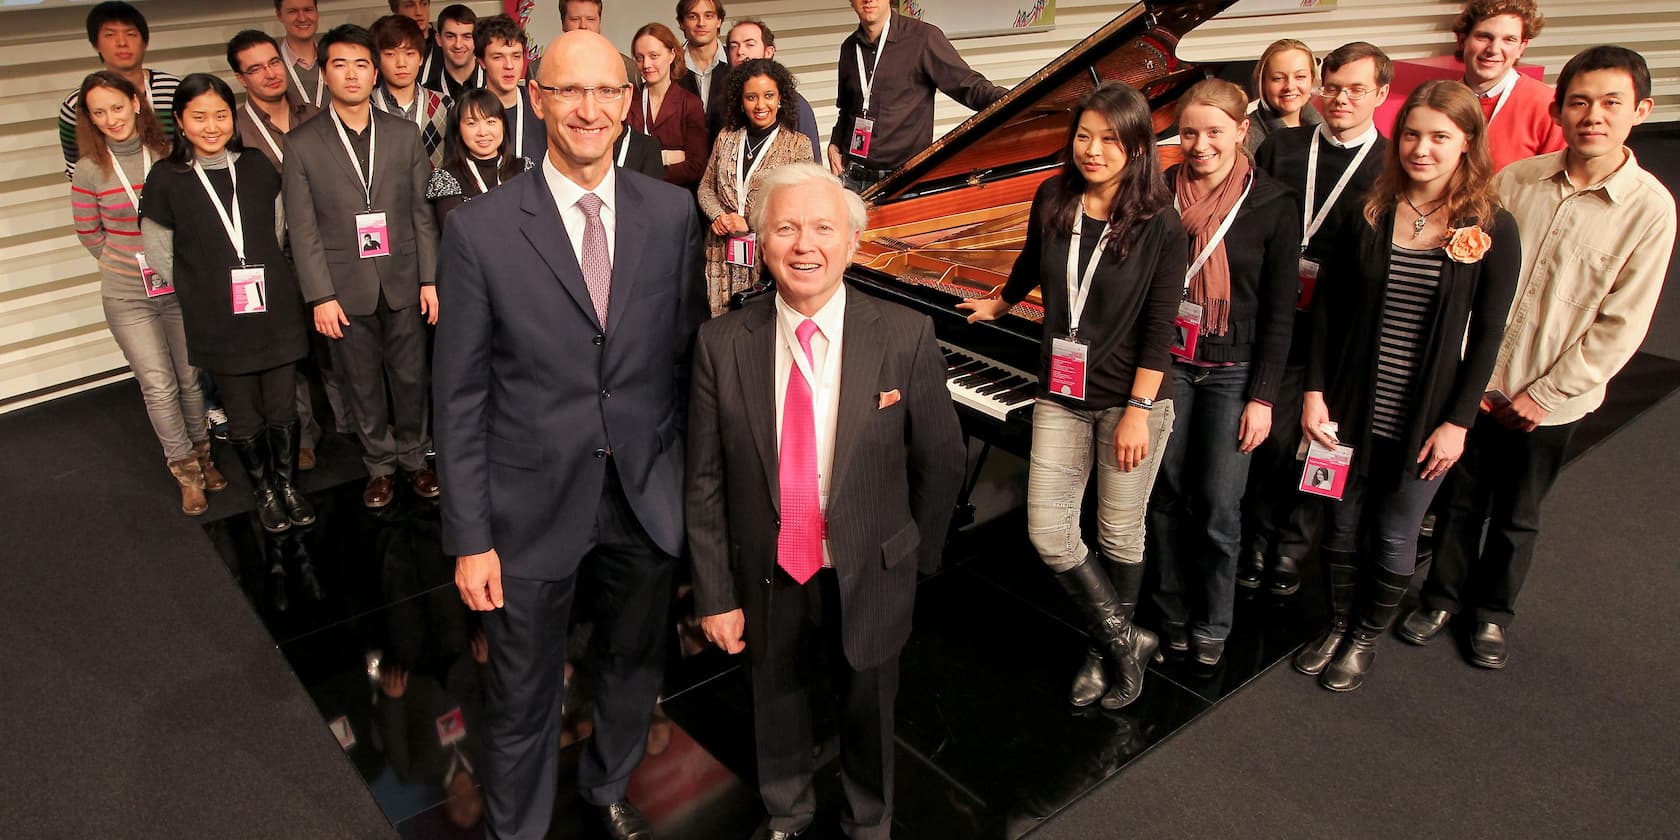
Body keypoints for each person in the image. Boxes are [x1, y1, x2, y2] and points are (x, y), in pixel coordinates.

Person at [436, 29, 705, 840]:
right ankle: (516, 829)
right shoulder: (479, 231)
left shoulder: (672, 213)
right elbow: (457, 398)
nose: (589, 110)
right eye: (569, 92)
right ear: (537, 99)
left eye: (606, 92)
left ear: (628, 104)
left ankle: (607, 783)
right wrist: (469, 536)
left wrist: (697, 501)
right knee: (520, 693)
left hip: (644, 490)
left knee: (631, 668)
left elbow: (687, 362)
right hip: (527, 505)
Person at [689, 161, 964, 840]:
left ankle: (870, 818)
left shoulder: (905, 335)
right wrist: (715, 594)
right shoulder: (721, 343)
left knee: (870, 701)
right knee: (774, 696)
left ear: (852, 242)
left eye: (822, 228)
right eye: (785, 228)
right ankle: (787, 808)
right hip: (769, 563)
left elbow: (942, 456)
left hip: (870, 564)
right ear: (760, 240)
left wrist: (916, 560)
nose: (804, 245)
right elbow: (703, 482)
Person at [1400, 47, 1676, 668]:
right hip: (1481, 381)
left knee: (1517, 512)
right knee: (1458, 495)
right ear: (1558, 109)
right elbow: (1466, 279)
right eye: (1579, 102)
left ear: (1642, 111)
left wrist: (1543, 395)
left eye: (1611, 103)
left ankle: (1492, 612)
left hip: (1551, 397)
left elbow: (1622, 324)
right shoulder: (1515, 180)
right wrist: (1473, 379)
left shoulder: (1649, 209)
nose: (1593, 116)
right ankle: (1441, 595)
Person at [959, 82, 1184, 709]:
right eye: (1083, 135)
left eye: (1110, 138)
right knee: (1049, 531)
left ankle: (1099, 648)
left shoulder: (1161, 224)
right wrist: (1002, 301)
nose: (1092, 149)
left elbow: (1162, 327)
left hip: (1129, 403)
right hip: (1062, 393)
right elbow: (1033, 260)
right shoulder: (1053, 195)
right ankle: (1122, 640)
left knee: (1118, 532)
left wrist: (1139, 411)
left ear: (1137, 145)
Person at [1294, 79, 1521, 692]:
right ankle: (1339, 623)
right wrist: (1314, 391)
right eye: (1413, 135)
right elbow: (1326, 316)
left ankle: (1365, 636)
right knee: (1339, 523)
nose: (1422, 148)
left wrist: (1459, 422)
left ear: (1467, 143)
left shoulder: (1493, 226)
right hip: (1351, 400)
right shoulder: (1367, 212)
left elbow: (1491, 332)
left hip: (1427, 412)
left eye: (1440, 137)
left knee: (1395, 529)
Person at [1144, 79, 1298, 667]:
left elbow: (1281, 312)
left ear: (1241, 131)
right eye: (1189, 132)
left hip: (1234, 372)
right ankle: (1171, 612)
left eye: (1214, 132)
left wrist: (1263, 398)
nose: (1200, 144)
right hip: (1169, 366)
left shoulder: (1274, 203)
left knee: (1218, 505)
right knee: (1164, 495)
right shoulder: (1159, 193)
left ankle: (1214, 620)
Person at [1247, 41, 1393, 597]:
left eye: (1356, 89)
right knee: (1273, 436)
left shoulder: (1389, 166)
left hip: (1346, 322)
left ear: (1380, 94)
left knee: (1326, 437)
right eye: (1331, 87)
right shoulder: (1283, 146)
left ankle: (1294, 544)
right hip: (1276, 311)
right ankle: (1259, 536)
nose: (1341, 99)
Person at [139, 73, 314, 533]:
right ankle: (264, 492)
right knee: (243, 413)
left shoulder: (255, 165)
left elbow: (277, 230)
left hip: (273, 308)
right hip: (217, 318)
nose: (211, 126)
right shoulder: (166, 177)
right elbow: (159, 255)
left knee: (282, 407)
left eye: (220, 115)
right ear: (180, 120)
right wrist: (206, 290)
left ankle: (288, 486)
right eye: (199, 117)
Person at [284, 24, 440, 510]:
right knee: (361, 381)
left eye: (360, 64)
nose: (351, 74)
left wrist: (430, 279)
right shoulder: (302, 142)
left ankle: (415, 457)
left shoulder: (404, 133)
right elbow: (301, 226)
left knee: (412, 376)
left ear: (374, 72)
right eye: (339, 64)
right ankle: (379, 465)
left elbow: (421, 212)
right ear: (324, 73)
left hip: (403, 279)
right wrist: (319, 295)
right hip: (343, 287)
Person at [71, 71, 223, 516]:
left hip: (179, 285)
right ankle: (186, 473)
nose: (110, 119)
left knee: (191, 378)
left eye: (116, 107)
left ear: (136, 104)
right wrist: (126, 258)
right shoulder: (89, 167)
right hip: (127, 293)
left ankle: (204, 455)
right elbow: (89, 232)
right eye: (98, 112)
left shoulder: (168, 153)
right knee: (158, 385)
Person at [228, 28, 334, 469]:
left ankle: (347, 422)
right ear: (240, 76)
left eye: (274, 62)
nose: (269, 74)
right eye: (255, 68)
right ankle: (304, 434)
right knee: (290, 349)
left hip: (328, 243)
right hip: (272, 251)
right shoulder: (233, 127)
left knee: (333, 339)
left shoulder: (316, 114)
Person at [828, 0, 1008, 192]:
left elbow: (969, 87)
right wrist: (834, 144)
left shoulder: (923, 39)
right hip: (852, 178)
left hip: (903, 182)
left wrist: (1021, 99)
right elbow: (847, 108)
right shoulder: (849, 48)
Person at [696, 59, 815, 316]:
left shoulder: (797, 145)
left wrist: (749, 222)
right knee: (721, 328)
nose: (760, 105)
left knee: (762, 328)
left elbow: (800, 204)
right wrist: (718, 216)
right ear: (741, 101)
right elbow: (705, 187)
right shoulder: (726, 137)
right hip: (721, 250)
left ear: (780, 98)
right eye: (751, 97)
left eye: (768, 95)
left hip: (767, 252)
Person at [59, 1, 180, 179]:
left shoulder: (174, 90)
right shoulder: (76, 104)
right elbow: (77, 172)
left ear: (145, 42)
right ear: (95, 44)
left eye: (131, 34)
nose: (122, 42)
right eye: (110, 34)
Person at [1452, 0, 1564, 170]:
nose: (1494, 50)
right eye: (1484, 37)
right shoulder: (1441, 101)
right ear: (1461, 40)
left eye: (1509, 40)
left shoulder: (1546, 105)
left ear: (1521, 47)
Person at [427, 89, 534, 227]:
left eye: (491, 122)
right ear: (458, 129)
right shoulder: (446, 178)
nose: (483, 132)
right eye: (472, 123)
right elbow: (456, 234)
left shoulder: (525, 169)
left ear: (503, 125)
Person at [724, 18, 822, 159]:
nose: (740, 51)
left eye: (750, 44)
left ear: (769, 52)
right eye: (734, 46)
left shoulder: (796, 105)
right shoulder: (723, 103)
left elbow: (813, 168)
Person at [628, 23, 710, 189]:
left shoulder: (690, 104)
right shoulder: (628, 102)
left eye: (654, 56)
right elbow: (621, 160)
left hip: (676, 198)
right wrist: (666, 157)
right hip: (634, 196)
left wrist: (644, 167)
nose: (646, 64)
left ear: (672, 54)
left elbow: (696, 167)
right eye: (640, 57)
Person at [371, 15, 454, 166]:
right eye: (390, 54)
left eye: (409, 54)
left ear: (421, 58)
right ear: (376, 59)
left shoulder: (444, 104)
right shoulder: (367, 106)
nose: (401, 63)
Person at [475, 15, 547, 163]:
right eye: (498, 57)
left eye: (516, 56)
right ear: (482, 61)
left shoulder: (541, 106)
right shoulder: (466, 111)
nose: (509, 65)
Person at [1245, 38, 1322, 153]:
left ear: (1311, 79)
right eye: (1278, 78)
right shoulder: (1247, 137)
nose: (1290, 86)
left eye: (1300, 76)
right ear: (1262, 82)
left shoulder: (1328, 128)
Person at [559, 0, 639, 91]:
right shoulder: (542, 69)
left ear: (599, 22)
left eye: (590, 19)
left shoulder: (627, 69)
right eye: (575, 19)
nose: (583, 26)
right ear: (563, 22)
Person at [674, 0, 727, 120]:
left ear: (719, 21)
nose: (701, 23)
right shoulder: (669, 67)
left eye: (708, 16)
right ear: (682, 23)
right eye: (692, 17)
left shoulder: (736, 62)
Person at [423, 4, 485, 99]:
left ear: (476, 39)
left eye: (466, 37)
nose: (458, 45)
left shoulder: (494, 84)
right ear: (439, 39)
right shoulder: (427, 94)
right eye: (450, 36)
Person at [276, 0, 325, 108]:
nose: (302, 18)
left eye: (308, 10)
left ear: (317, 12)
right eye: (293, 11)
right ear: (279, 15)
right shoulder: (271, 68)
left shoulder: (334, 60)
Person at [390, 0, 448, 89]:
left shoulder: (446, 49)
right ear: (395, 10)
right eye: (410, 6)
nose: (419, 12)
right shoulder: (384, 52)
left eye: (424, 4)